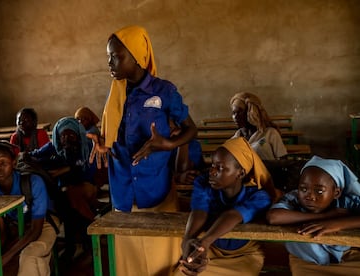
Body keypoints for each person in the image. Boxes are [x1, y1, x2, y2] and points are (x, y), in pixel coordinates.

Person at [88, 25, 197, 275]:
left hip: (156, 189)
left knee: (162, 261)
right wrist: (100, 142)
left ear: (137, 55)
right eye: (108, 57)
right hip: (124, 191)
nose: (110, 62)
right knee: (129, 263)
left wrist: (168, 144)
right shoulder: (116, 95)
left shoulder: (164, 91)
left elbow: (191, 130)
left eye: (116, 56)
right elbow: (111, 135)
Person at [176, 137, 278, 276]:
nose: (212, 172)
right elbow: (199, 211)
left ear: (240, 173)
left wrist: (204, 242)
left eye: (220, 168)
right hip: (211, 249)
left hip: (245, 255)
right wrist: (187, 241)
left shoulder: (259, 196)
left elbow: (232, 215)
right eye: (212, 165)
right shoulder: (204, 181)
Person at [0, 139, 57, 275]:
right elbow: (0, 231)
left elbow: (36, 230)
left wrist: (3, 260)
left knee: (28, 257)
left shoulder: (33, 182)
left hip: (43, 223)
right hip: (14, 225)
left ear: (14, 162)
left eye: (3, 163)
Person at [266, 155, 360, 276]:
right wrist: (326, 216)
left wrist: (337, 224)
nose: (309, 196)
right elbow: (273, 217)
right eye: (303, 189)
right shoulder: (294, 198)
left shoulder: (346, 202)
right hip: (306, 260)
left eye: (319, 191)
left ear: (336, 192)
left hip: (347, 258)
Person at [27, 117, 104, 260]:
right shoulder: (54, 146)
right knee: (67, 205)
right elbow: (32, 155)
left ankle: (79, 242)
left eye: (71, 135)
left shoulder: (87, 145)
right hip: (65, 190)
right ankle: (83, 242)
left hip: (87, 187)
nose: (66, 139)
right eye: (63, 136)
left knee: (70, 197)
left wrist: (64, 169)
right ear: (58, 136)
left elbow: (88, 172)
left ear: (78, 134)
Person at [230, 92, 287, 160]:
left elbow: (283, 159)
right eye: (233, 113)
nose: (235, 117)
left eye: (240, 112)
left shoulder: (270, 133)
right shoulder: (234, 140)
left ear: (251, 112)